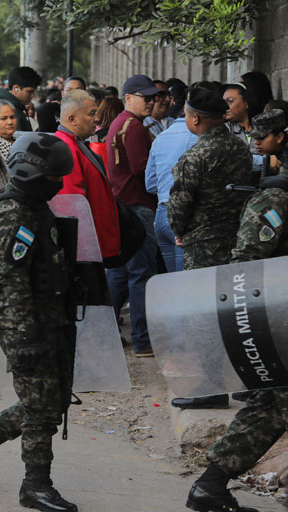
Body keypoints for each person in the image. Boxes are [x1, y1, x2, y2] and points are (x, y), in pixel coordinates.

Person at [0, 133, 78, 512]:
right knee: (41, 408)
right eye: (53, 177)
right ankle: (36, 486)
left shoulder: (36, 206)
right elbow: (13, 282)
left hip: (48, 317)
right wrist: (26, 337)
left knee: (51, 401)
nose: (58, 184)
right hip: (25, 322)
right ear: (31, 174)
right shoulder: (14, 212)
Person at [185, 110, 288, 512]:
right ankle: (209, 485)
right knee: (272, 405)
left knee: (272, 405)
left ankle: (210, 486)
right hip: (279, 322)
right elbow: (244, 265)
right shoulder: (275, 198)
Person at [167, 87, 253, 411]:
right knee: (238, 315)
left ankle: (211, 389)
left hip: (203, 245)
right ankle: (247, 383)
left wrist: (179, 231)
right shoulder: (241, 148)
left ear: (195, 119)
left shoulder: (196, 156)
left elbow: (179, 205)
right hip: (239, 241)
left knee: (203, 318)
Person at [104, 74, 161, 357]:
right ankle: (142, 341)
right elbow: (143, 170)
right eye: (145, 97)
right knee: (141, 275)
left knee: (119, 273)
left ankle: (102, 336)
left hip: (121, 207)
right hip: (138, 207)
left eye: (153, 97)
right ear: (128, 98)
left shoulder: (120, 122)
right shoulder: (134, 126)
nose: (150, 102)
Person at [55, 90, 121, 261]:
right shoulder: (66, 148)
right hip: (84, 251)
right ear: (72, 119)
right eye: (92, 114)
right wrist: (83, 252)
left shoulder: (74, 144)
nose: (97, 119)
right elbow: (71, 205)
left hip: (91, 246)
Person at [145, 98, 198, 273]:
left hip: (161, 214)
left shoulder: (160, 138)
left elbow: (150, 184)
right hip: (184, 213)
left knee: (172, 278)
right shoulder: (198, 137)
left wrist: (165, 188)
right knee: (186, 279)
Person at [223, 84, 269, 176]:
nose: (226, 107)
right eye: (224, 103)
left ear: (246, 103)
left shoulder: (263, 127)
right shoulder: (223, 130)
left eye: (230, 101)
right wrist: (265, 161)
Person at [0, 66, 41, 132]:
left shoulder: (1, 104)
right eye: (29, 91)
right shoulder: (10, 111)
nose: (33, 95)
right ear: (16, 89)